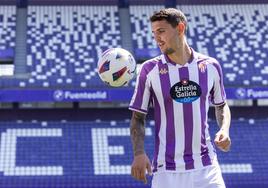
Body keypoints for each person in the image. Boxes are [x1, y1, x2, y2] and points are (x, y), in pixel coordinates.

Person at [129, 8, 231, 188]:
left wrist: (224, 129)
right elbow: (138, 118)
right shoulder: (148, 70)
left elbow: (221, 104)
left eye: (161, 31)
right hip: (166, 172)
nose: (156, 38)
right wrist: (138, 152)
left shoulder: (211, 66)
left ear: (180, 28)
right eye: (153, 33)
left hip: (206, 168)